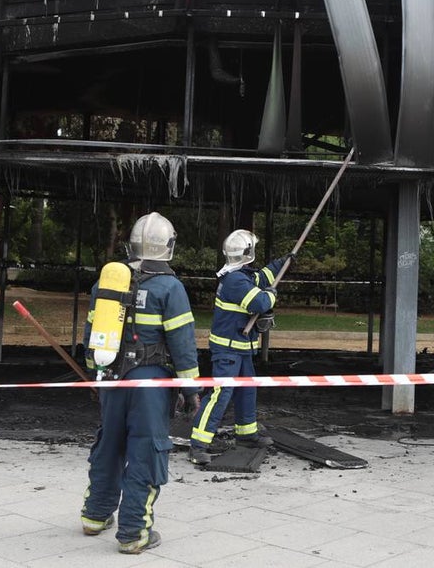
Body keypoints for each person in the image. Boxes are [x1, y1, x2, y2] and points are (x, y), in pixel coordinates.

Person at [79, 212, 201, 555]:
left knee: (110, 444)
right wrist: (192, 390)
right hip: (150, 383)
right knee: (146, 450)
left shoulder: (107, 283)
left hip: (112, 377)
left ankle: (95, 515)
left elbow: (92, 335)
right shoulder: (170, 288)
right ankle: (134, 532)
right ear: (169, 247)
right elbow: (182, 345)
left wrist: (95, 375)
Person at [188, 229, 289, 465]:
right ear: (249, 253)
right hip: (228, 351)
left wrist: (282, 263)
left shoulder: (240, 275)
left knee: (246, 390)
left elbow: (262, 277)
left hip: (241, 348)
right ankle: (198, 444)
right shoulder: (235, 281)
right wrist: (272, 295)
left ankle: (246, 434)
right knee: (220, 395)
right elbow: (260, 302)